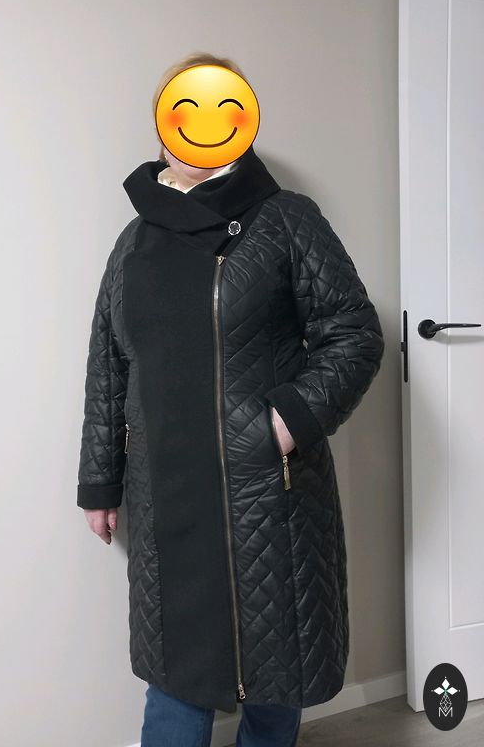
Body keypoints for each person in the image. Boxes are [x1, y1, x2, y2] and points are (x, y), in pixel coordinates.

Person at [77, 52, 385, 747]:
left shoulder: (286, 220)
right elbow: (108, 366)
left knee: (274, 670)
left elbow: (353, 332)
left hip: (265, 493)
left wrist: (285, 423)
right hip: (166, 496)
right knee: (176, 679)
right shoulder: (134, 243)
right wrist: (100, 483)